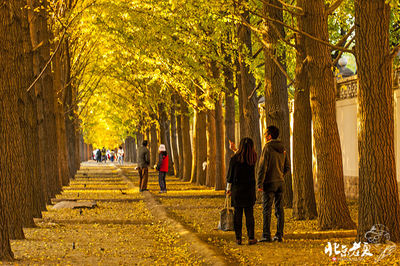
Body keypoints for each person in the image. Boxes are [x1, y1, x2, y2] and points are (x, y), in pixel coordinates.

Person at [257, 126, 290, 243]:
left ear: (269, 135)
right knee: (279, 209)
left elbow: (262, 166)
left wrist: (259, 183)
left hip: (269, 182)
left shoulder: (267, 147)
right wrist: (280, 175)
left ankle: (266, 235)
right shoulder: (283, 148)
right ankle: (279, 235)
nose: (264, 135)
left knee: (267, 209)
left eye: (265, 133)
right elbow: (287, 167)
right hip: (280, 183)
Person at [226, 138, 258, 245]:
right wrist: (235, 149)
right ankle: (251, 237)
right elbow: (244, 155)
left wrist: (228, 189)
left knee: (237, 214)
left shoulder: (234, 159)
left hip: (237, 190)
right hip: (249, 190)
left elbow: (230, 176)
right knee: (249, 215)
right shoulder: (252, 159)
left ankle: (238, 238)